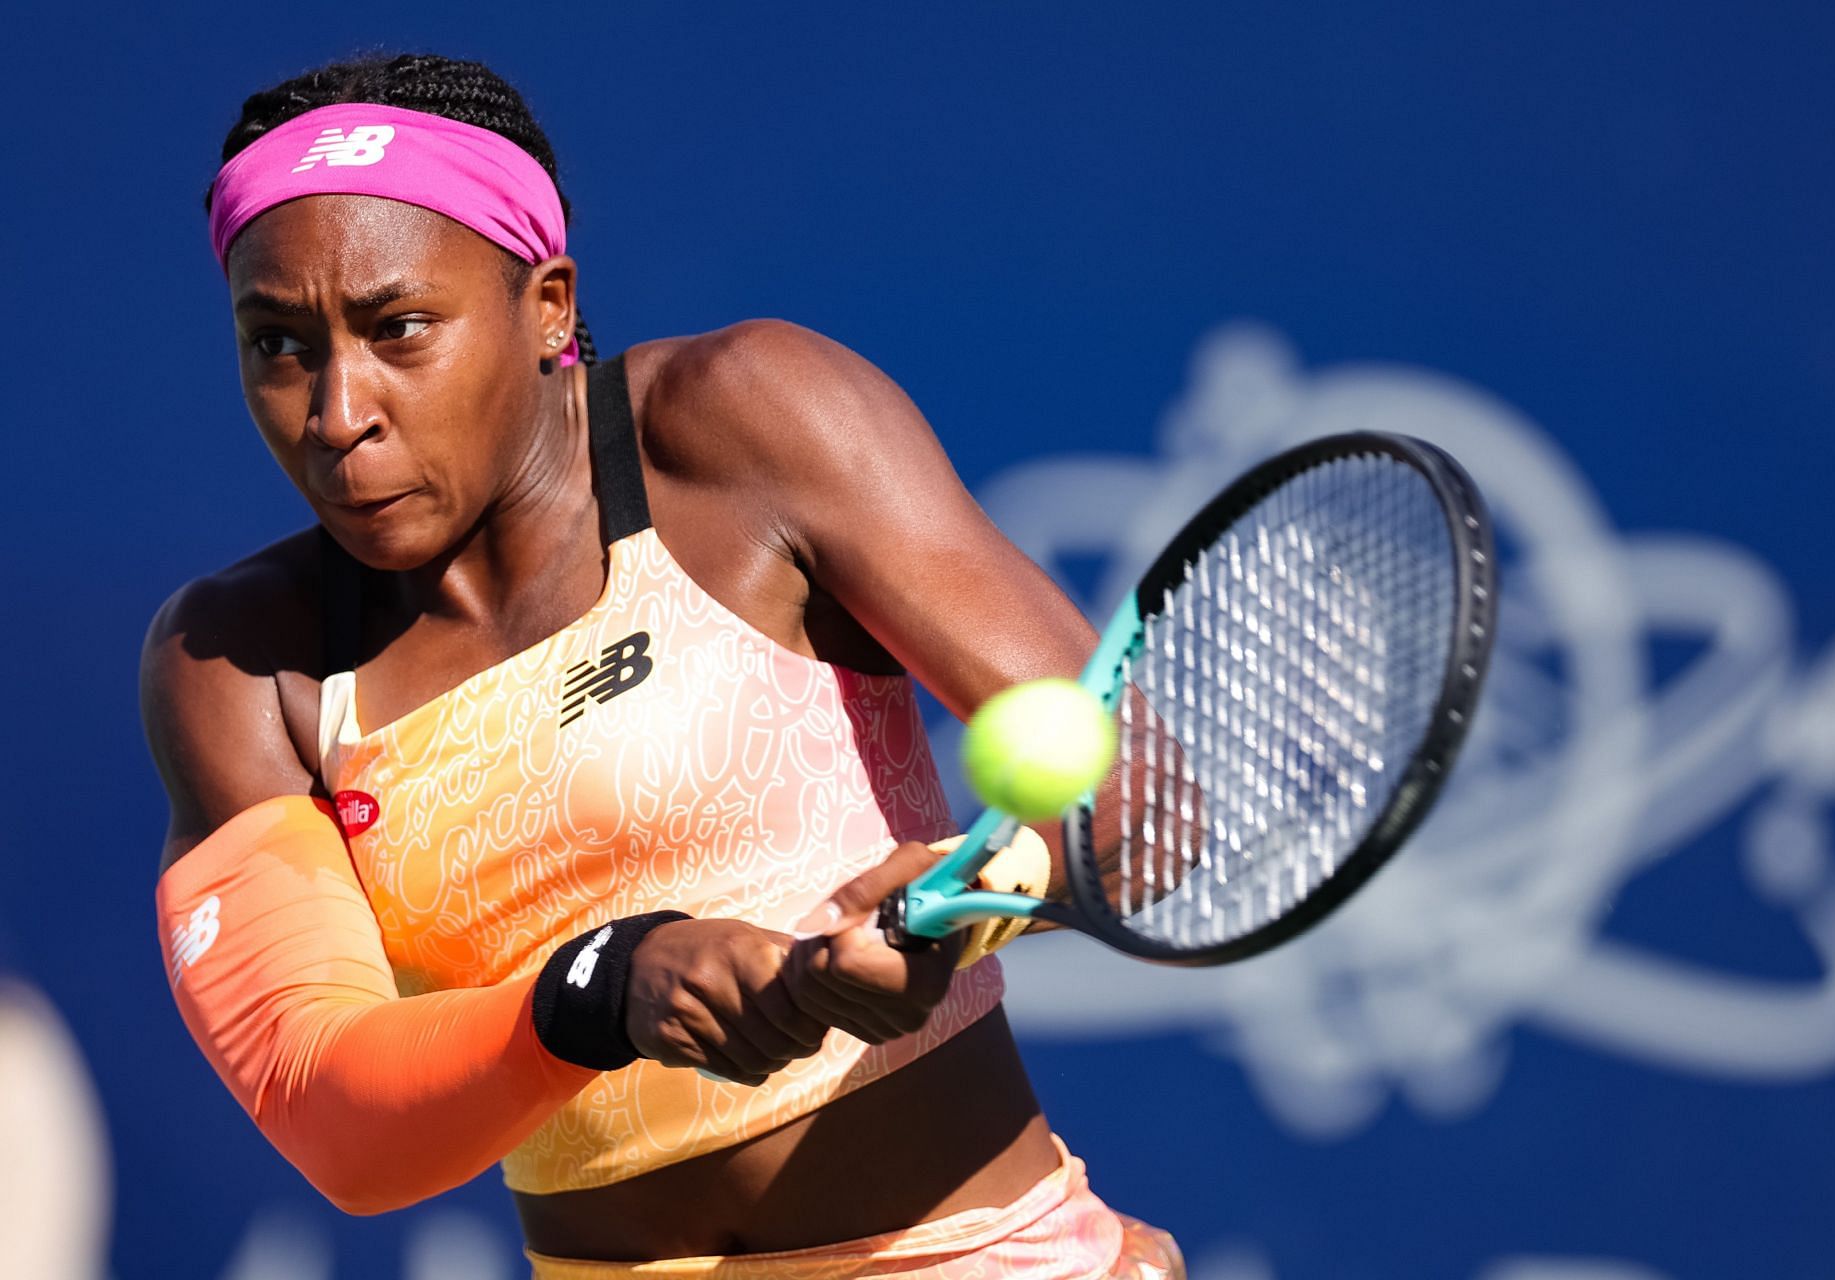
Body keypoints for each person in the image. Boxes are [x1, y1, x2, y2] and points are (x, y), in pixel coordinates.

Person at [142, 53, 1184, 1279]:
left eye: (398, 328)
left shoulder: (746, 420)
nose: (335, 412)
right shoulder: (237, 664)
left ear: (546, 305)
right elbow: (335, 1114)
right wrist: (605, 983)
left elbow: (1150, 806)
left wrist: (959, 905)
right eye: (278, 345)